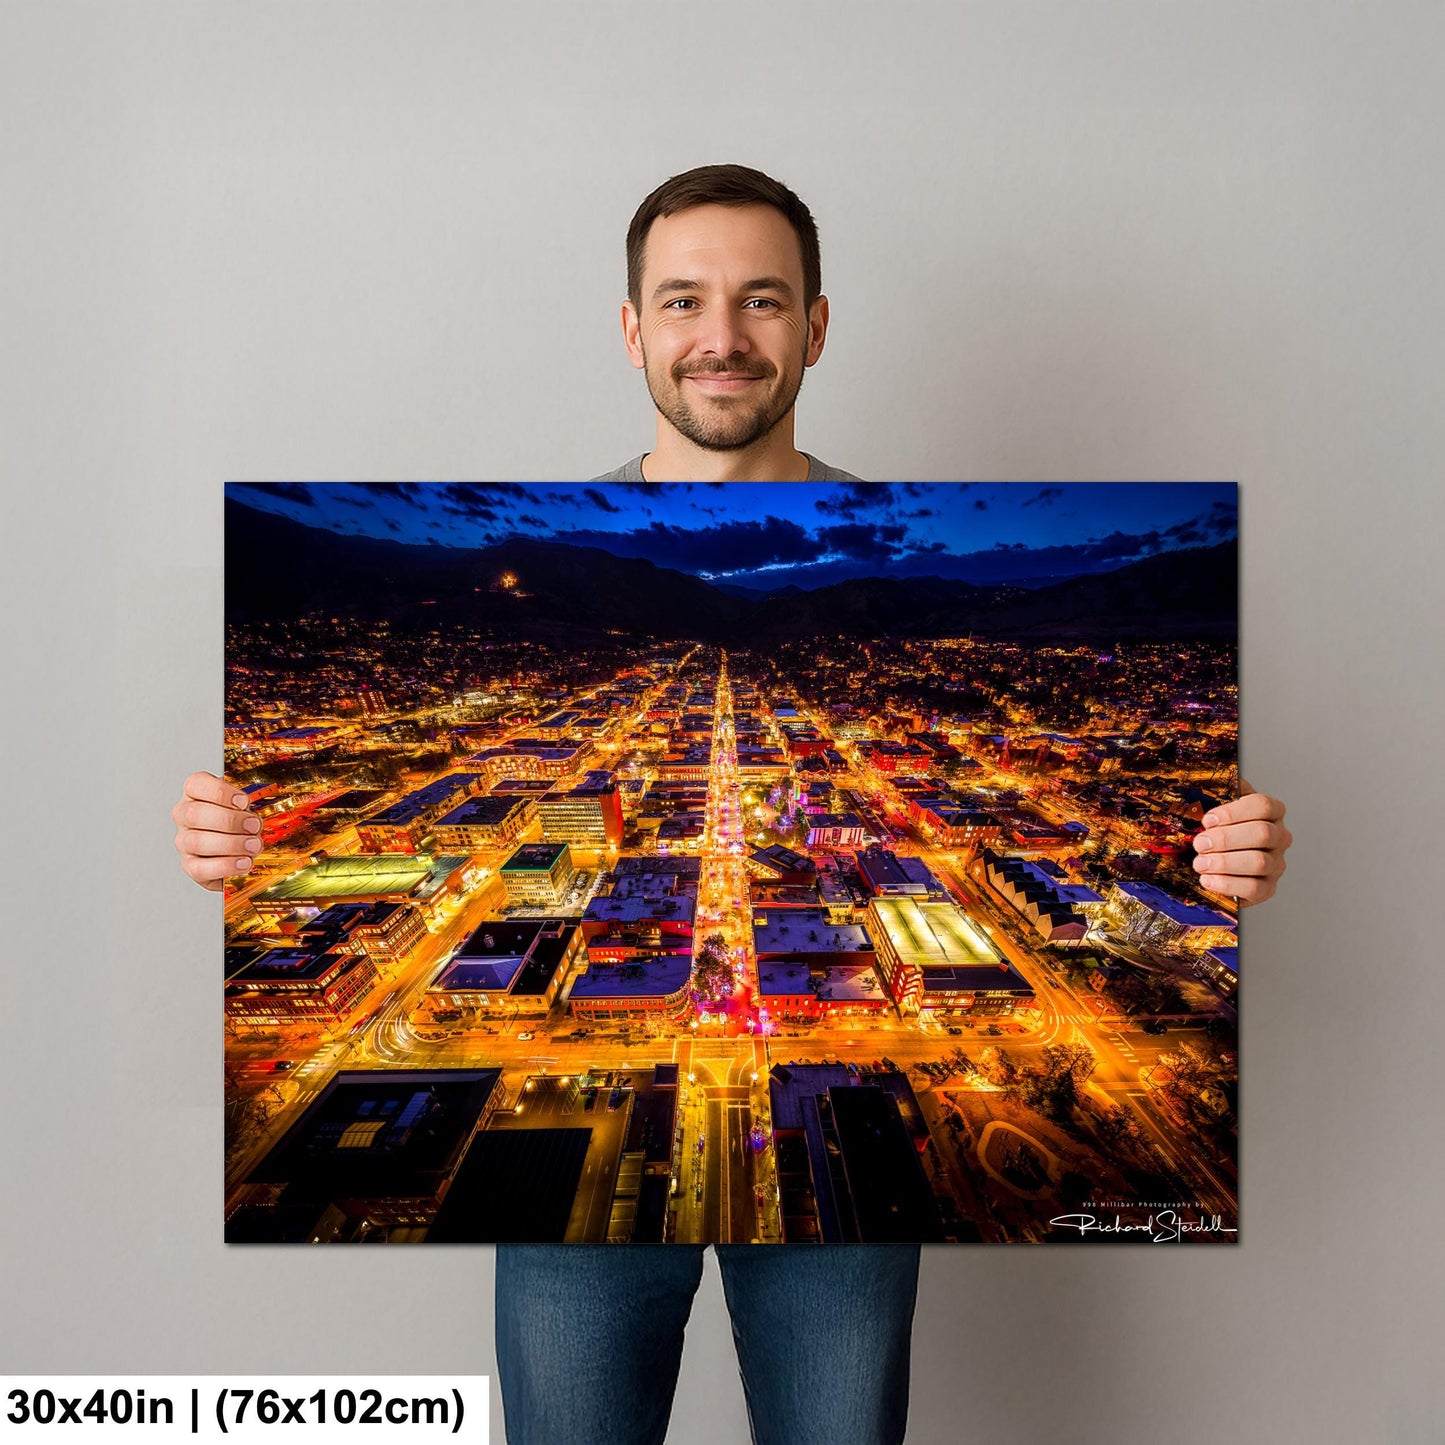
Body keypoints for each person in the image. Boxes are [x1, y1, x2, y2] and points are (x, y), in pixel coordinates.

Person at [173, 165, 1294, 1445]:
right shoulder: (546, 550)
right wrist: (241, 845)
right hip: (577, 1234)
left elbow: (1181, 860)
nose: (721, 335)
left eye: (760, 299)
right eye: (683, 300)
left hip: (835, 1211)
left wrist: (1218, 858)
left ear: (813, 326)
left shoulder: (878, 543)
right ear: (631, 327)